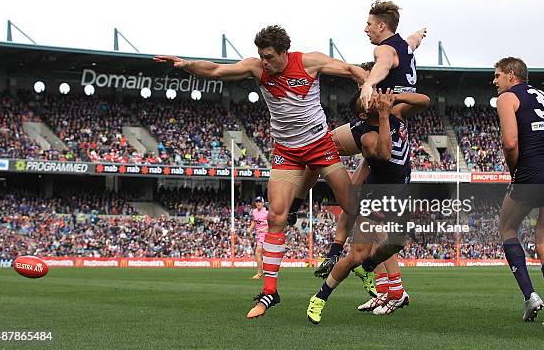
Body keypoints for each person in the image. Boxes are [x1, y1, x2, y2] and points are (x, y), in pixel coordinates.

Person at [154, 25, 367, 319]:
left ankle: (370, 267)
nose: (264, 62)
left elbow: (352, 70)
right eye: (260, 56)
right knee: (275, 216)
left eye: (269, 56)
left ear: (284, 52)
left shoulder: (309, 62)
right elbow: (216, 70)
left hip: (320, 145)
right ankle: (269, 292)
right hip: (286, 152)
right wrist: (186, 64)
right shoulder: (257, 69)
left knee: (352, 206)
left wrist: (369, 85)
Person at [307, 87, 430, 324]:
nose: (374, 98)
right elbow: (384, 153)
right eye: (368, 100)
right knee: (355, 256)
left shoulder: (396, 112)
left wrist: (397, 98)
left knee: (397, 241)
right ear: (364, 114)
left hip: (400, 192)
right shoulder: (367, 136)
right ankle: (320, 297)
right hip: (377, 195)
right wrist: (384, 114)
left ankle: (369, 266)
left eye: (373, 95)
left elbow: (424, 100)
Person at [493, 57, 544, 326]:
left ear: (512, 74)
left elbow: (510, 142)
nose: (495, 81)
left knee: (506, 227)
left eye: (497, 75)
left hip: (532, 170)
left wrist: (514, 173)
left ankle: (530, 296)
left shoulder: (507, 98)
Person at [248, 196, 268, 279]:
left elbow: (272, 224)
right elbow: (254, 222)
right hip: (258, 235)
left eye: (259, 202)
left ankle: (259, 274)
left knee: (258, 252)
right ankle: (262, 273)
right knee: (262, 253)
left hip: (266, 234)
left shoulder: (267, 212)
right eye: (257, 202)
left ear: (263, 203)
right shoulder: (254, 211)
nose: (258, 203)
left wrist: (263, 229)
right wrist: (250, 228)